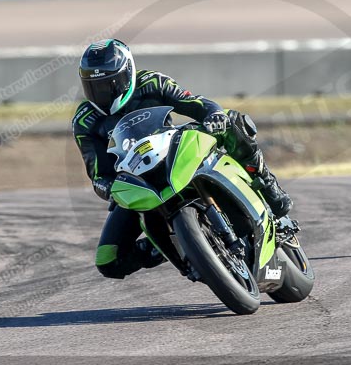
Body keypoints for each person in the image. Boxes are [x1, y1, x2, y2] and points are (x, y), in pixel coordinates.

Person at [72, 39, 293, 280]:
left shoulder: (152, 82)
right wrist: (104, 186)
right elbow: (97, 172)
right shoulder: (85, 120)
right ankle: (173, 248)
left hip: (172, 152)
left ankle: (265, 181)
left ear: (126, 73)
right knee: (108, 260)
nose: (100, 93)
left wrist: (213, 115)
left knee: (231, 121)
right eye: (92, 86)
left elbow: (195, 103)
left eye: (107, 84)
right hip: (138, 181)